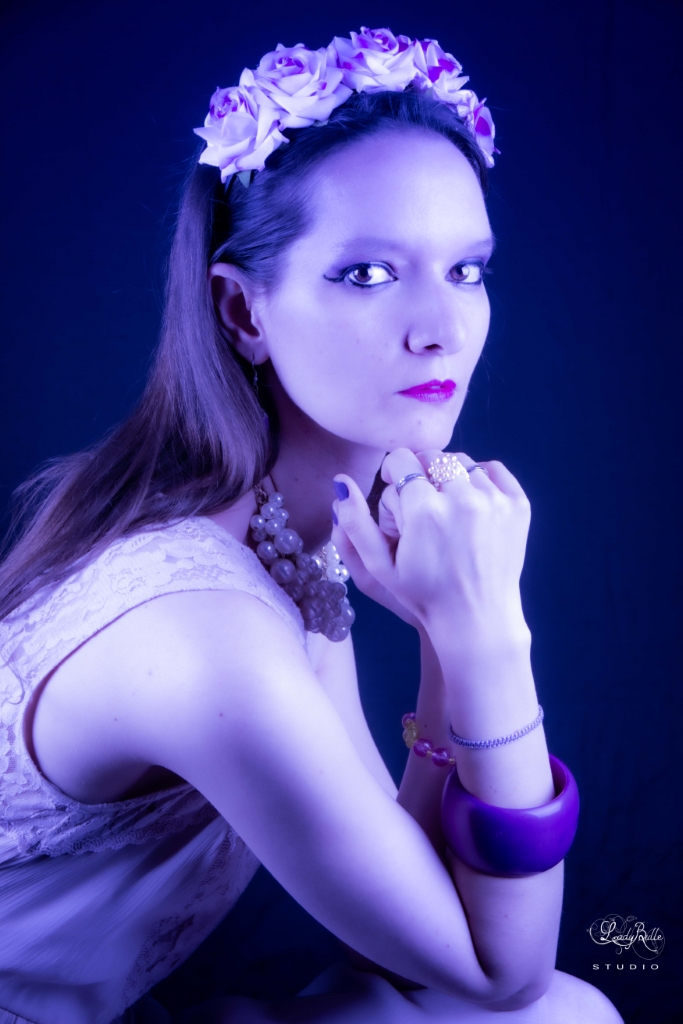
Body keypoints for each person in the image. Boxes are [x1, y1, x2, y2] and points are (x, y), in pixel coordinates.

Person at [0, 27, 624, 1024]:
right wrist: (488, 636)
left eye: (466, 271)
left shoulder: (282, 544)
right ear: (242, 313)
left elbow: (412, 922)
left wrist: (440, 639)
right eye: (368, 274)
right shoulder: (200, 623)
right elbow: (495, 970)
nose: (440, 329)